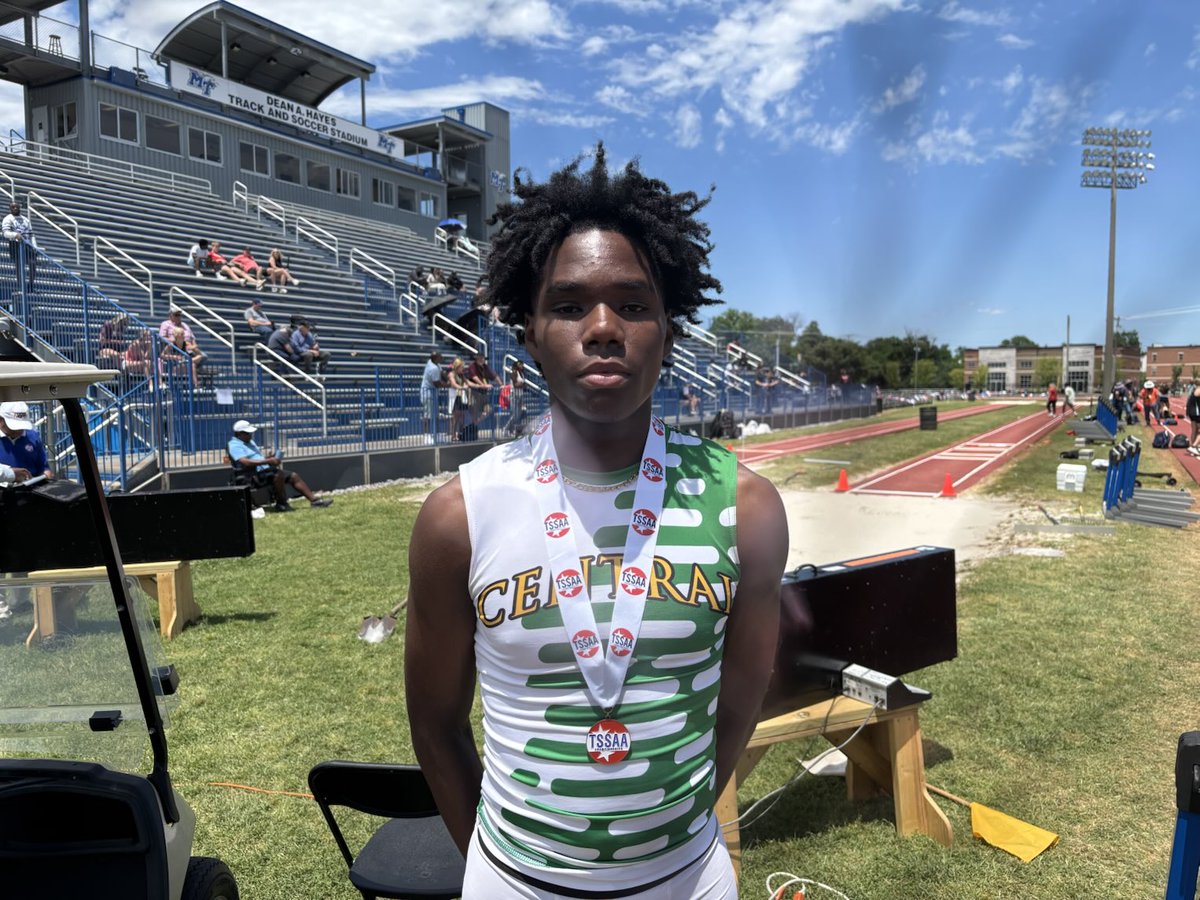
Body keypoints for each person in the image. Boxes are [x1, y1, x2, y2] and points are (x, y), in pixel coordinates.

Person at [405, 144, 787, 898]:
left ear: (669, 333)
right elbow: (435, 726)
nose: (604, 326)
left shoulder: (745, 506)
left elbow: (744, 696)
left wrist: (668, 833)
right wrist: (500, 870)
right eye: (570, 304)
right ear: (530, 334)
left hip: (688, 879)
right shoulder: (459, 515)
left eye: (634, 305)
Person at [227, 419, 332, 512]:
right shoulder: (234, 445)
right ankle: (281, 504)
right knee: (278, 474)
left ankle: (314, 501)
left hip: (263, 471)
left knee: (293, 476)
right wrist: (268, 461)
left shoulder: (249, 442)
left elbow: (256, 457)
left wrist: (269, 457)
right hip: (250, 476)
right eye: (248, 433)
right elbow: (245, 462)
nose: (250, 435)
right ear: (239, 434)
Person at [0, 401, 51, 480]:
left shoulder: (33, 437)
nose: (19, 430)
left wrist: (46, 475)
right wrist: (10, 474)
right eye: (14, 427)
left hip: (30, 488)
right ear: (1, 421)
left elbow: (43, 468)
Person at [2, 200, 36, 292]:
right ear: (10, 209)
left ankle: (31, 286)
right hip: (15, 244)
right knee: (19, 266)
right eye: (13, 207)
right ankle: (21, 286)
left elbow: (31, 234)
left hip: (27, 244)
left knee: (33, 264)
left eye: (17, 207)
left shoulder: (26, 220)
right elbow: (5, 233)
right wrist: (15, 235)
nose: (15, 208)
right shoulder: (7, 219)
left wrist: (34, 246)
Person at [466, 352, 500, 432]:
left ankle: (477, 422)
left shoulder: (485, 367)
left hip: (483, 393)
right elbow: (474, 377)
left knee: (488, 409)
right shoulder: (472, 366)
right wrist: (483, 385)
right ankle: (473, 427)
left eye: (483, 358)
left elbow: (494, 376)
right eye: (480, 358)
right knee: (473, 408)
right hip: (474, 392)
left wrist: (501, 384)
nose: (482, 360)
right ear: (477, 359)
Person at [420, 351, 445, 442]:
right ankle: (427, 436)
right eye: (440, 356)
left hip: (433, 393)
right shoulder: (433, 368)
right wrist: (447, 384)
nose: (442, 357)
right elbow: (437, 383)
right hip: (428, 393)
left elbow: (442, 373)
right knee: (428, 415)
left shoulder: (434, 363)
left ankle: (436, 434)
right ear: (436, 358)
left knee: (435, 415)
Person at [446, 356, 470, 440]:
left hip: (461, 397)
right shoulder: (451, 374)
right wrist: (462, 387)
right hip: (455, 397)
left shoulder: (462, 375)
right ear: (457, 367)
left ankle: (461, 434)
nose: (462, 369)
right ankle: (453, 435)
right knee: (455, 417)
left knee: (462, 416)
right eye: (461, 367)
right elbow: (453, 384)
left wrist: (467, 385)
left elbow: (467, 382)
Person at [503, 358, 526, 437]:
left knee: (518, 414)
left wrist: (522, 384)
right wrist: (522, 384)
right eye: (520, 364)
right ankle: (506, 429)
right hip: (514, 395)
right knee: (515, 414)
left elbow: (523, 385)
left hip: (520, 394)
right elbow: (516, 385)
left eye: (522, 364)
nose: (521, 366)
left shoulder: (521, 373)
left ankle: (512, 430)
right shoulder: (514, 372)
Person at [1187, 384, 1200, 451]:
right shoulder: (1198, 390)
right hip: (1196, 413)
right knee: (1198, 431)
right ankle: (1194, 446)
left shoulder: (1195, 389)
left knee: (1194, 430)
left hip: (1192, 412)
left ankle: (1193, 446)